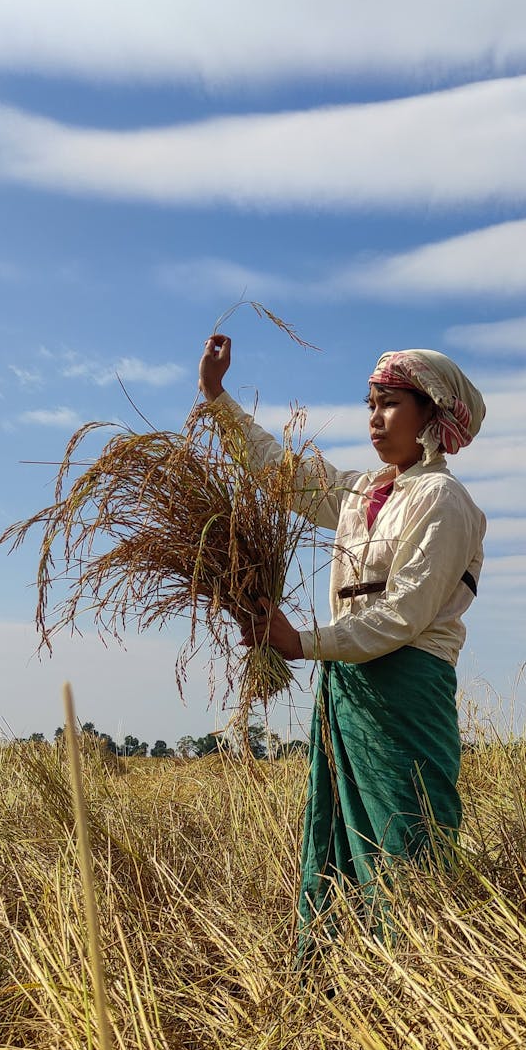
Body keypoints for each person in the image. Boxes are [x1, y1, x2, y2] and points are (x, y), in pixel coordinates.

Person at [199, 334, 486, 953]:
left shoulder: (444, 501)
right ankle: (342, 970)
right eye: (370, 403)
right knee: (338, 833)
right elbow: (286, 474)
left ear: (431, 415)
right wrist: (218, 398)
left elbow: (404, 615)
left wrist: (302, 642)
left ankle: (419, 974)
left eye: (390, 404)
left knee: (405, 829)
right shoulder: (364, 494)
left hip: (405, 684)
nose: (375, 418)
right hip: (348, 679)